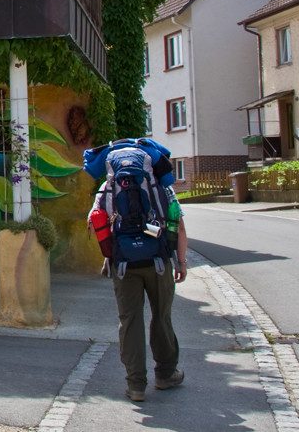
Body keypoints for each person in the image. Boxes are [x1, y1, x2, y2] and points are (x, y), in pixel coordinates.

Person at [84, 138, 188, 403]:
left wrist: (111, 253)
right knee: (161, 316)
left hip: (123, 265)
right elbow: (178, 222)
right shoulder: (160, 186)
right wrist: (182, 262)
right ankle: (165, 374)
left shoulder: (108, 187)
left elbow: (95, 224)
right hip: (159, 261)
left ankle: (136, 385)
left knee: (130, 321)